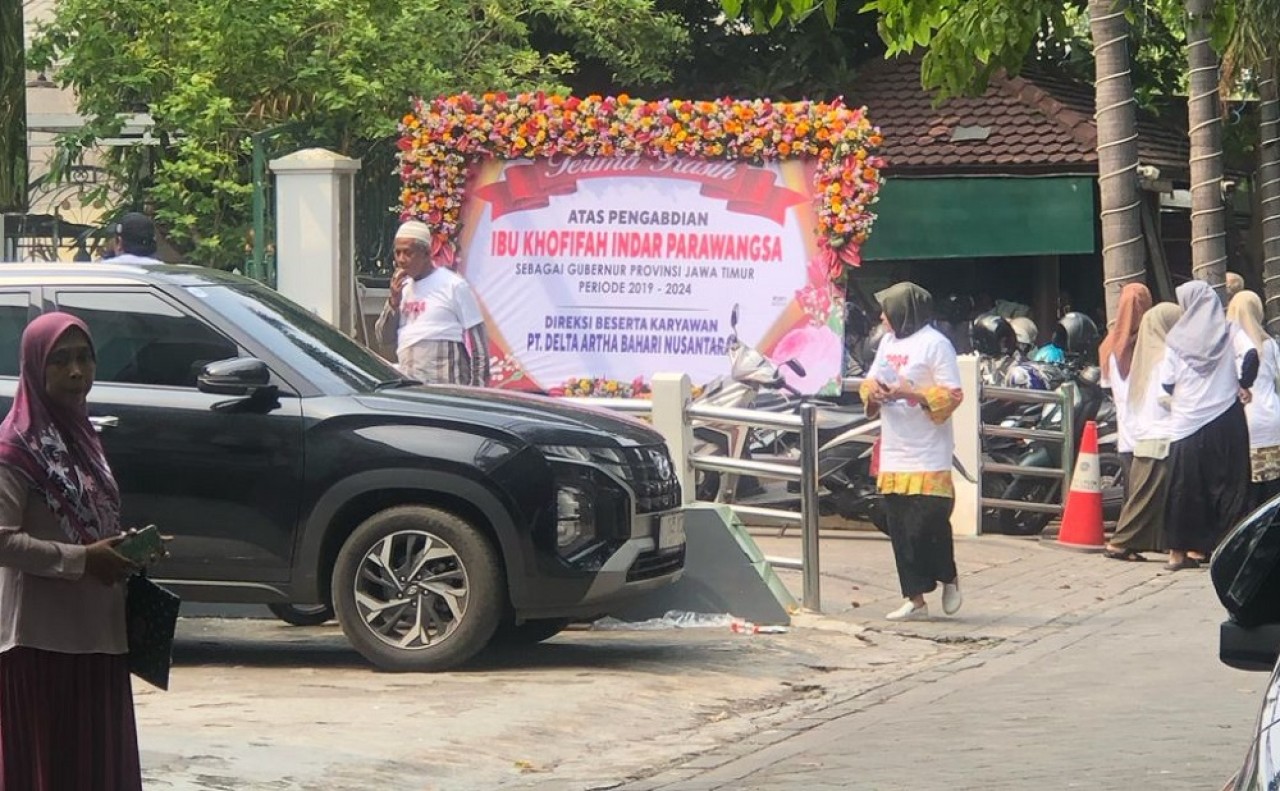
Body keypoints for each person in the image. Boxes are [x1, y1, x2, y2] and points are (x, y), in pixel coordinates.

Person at [0, 312, 143, 789]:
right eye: (60, 361)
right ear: (35, 369)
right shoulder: (15, 449)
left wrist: (126, 547)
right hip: (42, 643)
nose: (76, 372)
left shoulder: (84, 437)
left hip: (100, 636)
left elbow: (92, 519)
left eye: (84, 358)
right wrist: (82, 561)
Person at [859, 283, 964, 622]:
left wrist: (912, 392)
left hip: (928, 451)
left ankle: (947, 575)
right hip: (895, 449)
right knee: (900, 526)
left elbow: (953, 395)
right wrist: (874, 392)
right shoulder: (888, 343)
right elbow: (869, 381)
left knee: (928, 521)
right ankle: (914, 597)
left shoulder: (936, 345)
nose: (882, 317)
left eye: (887, 310)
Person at [1161, 281, 1252, 571]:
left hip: (1186, 423)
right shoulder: (1229, 330)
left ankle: (1177, 553)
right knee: (1229, 486)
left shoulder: (1176, 338)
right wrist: (1243, 384)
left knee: (1183, 488)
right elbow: (1250, 355)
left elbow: (1166, 380)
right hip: (1226, 418)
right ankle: (1227, 551)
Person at [1103, 303, 1181, 561]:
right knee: (1145, 499)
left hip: (1143, 435)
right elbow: (1165, 398)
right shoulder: (1164, 358)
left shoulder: (1140, 360)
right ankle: (1120, 543)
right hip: (1162, 436)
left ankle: (1155, 545)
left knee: (1148, 497)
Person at [375, 220, 490, 386]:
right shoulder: (403, 288)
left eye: (408, 253)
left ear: (426, 254)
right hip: (411, 387)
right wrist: (393, 302)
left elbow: (479, 344)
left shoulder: (453, 285)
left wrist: (478, 393)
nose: (401, 260)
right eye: (397, 253)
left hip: (447, 390)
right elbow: (383, 338)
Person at [1097, 283, 1153, 497]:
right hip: (1151, 436)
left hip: (1126, 434)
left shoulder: (1108, 346)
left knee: (1131, 497)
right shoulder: (1150, 344)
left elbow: (1107, 384)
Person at [1227, 291, 1280, 510]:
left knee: (1249, 487)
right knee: (1273, 486)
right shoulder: (1270, 345)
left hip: (1244, 419)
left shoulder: (1228, 346)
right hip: (1273, 418)